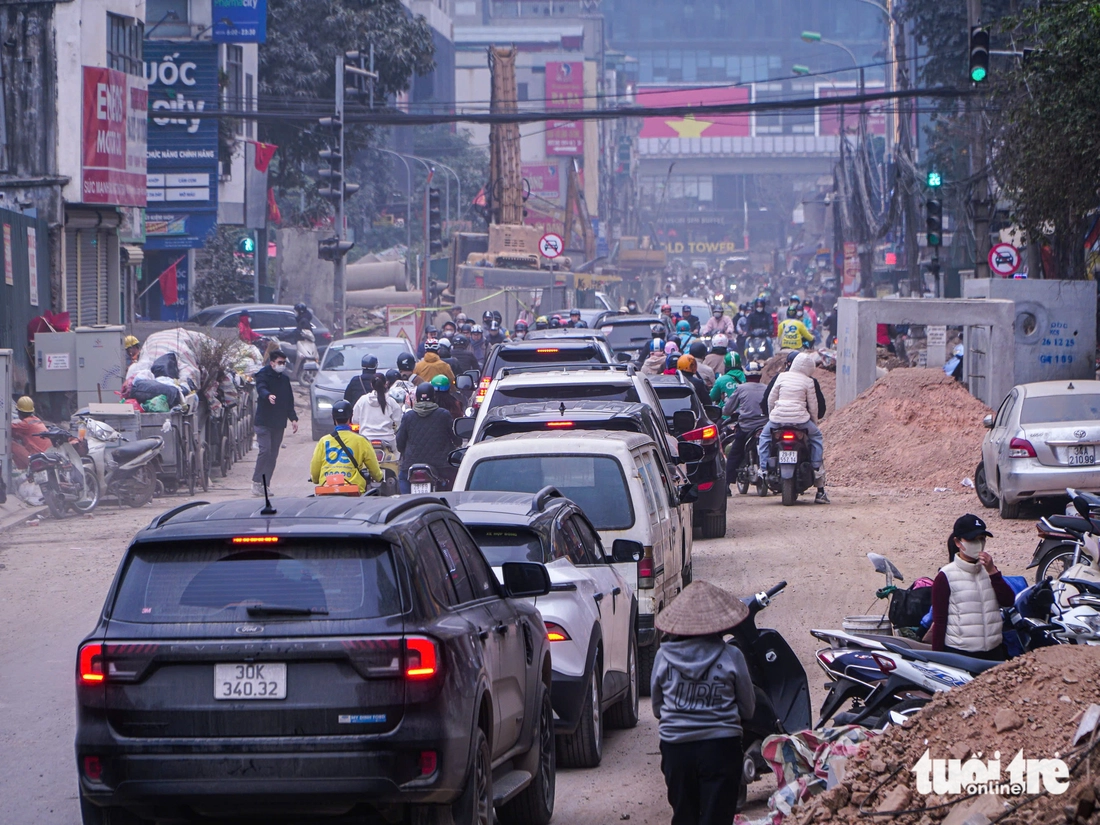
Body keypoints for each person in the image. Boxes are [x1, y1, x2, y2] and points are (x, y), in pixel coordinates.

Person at [651, 580, 755, 825]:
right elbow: (748, 709)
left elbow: (657, 708)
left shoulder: (663, 657)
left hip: (677, 750)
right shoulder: (732, 656)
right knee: (717, 817)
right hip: (722, 749)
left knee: (684, 816)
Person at [929, 515, 1015, 659]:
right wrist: (938, 658)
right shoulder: (946, 576)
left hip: (993, 651)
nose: (978, 544)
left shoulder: (990, 572)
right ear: (958, 542)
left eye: (982, 539)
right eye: (972, 540)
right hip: (960, 654)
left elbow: (1008, 601)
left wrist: (993, 572)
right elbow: (939, 621)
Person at [757, 351, 827, 503]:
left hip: (777, 420)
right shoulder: (809, 381)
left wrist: (773, 415)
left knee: (764, 436)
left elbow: (770, 399)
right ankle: (816, 470)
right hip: (800, 421)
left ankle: (762, 469)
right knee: (816, 436)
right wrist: (813, 423)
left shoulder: (781, 377)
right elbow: (814, 406)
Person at [395, 383, 459, 493]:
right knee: (454, 478)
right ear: (433, 397)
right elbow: (456, 438)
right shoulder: (444, 414)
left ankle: (406, 499)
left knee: (403, 478)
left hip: (411, 463)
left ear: (417, 398)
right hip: (442, 465)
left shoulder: (408, 416)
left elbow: (400, 443)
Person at [311, 400, 383, 494]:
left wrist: (315, 479)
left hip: (326, 490)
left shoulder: (323, 441)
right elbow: (374, 469)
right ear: (351, 417)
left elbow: (315, 472)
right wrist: (379, 477)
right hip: (353, 491)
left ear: (333, 417)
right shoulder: (361, 441)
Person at [252, 349, 298, 496]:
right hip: (264, 421)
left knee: (273, 455)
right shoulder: (263, 375)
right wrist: (268, 395)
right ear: (272, 363)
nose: (282, 365)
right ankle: (256, 482)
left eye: (284, 363)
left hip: (278, 422)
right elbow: (261, 388)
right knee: (265, 450)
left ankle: (265, 484)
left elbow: (289, 401)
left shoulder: (284, 380)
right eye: (280, 362)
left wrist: (293, 418)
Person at [722, 362, 768, 493]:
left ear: (746, 376)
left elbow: (727, 410)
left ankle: (727, 485)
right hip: (765, 428)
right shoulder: (766, 388)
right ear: (760, 376)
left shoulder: (741, 389)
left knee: (735, 453)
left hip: (746, 427)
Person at [352, 373, 404, 447]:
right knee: (396, 453)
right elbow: (398, 421)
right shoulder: (391, 402)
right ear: (386, 384)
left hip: (366, 439)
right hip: (388, 440)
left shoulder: (362, 400)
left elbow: (355, 420)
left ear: (371, 385)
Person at [11, 396, 51, 470]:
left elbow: (7, 427)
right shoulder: (36, 420)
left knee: (11, 444)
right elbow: (21, 435)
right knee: (20, 439)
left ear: (19, 412)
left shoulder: (25, 424)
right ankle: (25, 469)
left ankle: (23, 469)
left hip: (36, 458)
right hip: (46, 456)